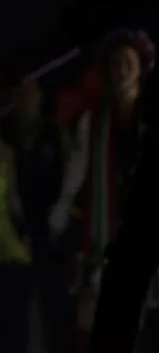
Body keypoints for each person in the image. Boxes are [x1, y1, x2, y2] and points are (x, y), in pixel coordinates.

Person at [89, 43, 158, 352]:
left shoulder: (148, 115)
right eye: (115, 62)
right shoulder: (95, 122)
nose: (120, 69)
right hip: (111, 226)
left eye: (127, 62)